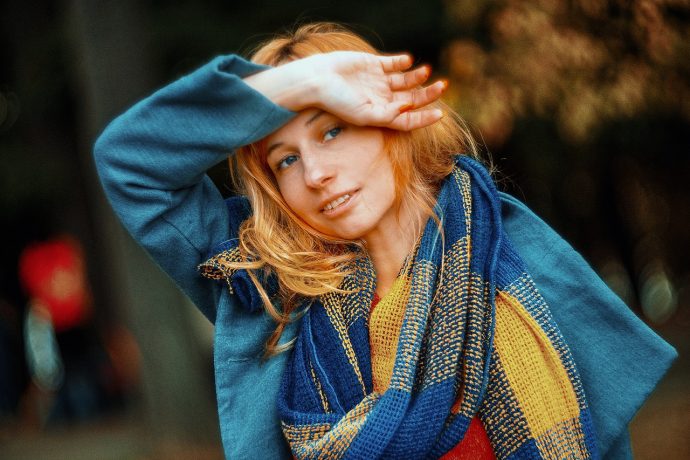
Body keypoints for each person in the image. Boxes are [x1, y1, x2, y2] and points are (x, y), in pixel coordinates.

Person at [94, 22, 676, 459]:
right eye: (285, 159)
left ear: (390, 116)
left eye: (332, 130)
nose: (314, 174)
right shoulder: (269, 287)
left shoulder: (508, 263)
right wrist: (299, 84)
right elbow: (129, 163)